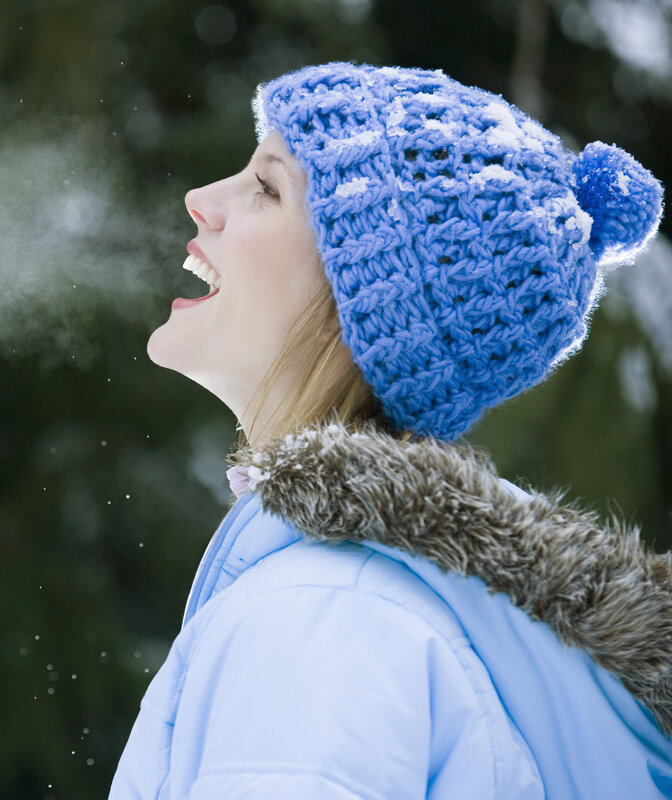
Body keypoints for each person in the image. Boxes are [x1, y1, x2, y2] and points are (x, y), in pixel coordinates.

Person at [110, 62, 672, 798]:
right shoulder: (381, 608)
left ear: (362, 307)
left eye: (267, 188)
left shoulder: (321, 619)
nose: (201, 201)